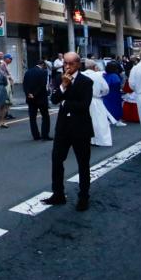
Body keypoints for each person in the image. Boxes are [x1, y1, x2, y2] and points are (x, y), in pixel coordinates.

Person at [41, 52, 94, 212]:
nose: (68, 67)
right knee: (57, 160)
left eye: (71, 63)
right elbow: (54, 100)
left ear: (78, 64)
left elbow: (84, 105)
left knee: (83, 164)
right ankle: (58, 194)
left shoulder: (86, 82)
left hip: (81, 127)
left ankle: (83, 197)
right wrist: (63, 86)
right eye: (65, 63)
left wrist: (66, 102)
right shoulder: (60, 79)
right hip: (63, 127)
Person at [23, 59, 51, 141]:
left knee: (32, 118)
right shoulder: (43, 72)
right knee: (45, 116)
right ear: (42, 65)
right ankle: (45, 134)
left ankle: (36, 135)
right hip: (41, 97)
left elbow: (25, 84)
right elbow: (43, 85)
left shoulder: (28, 72)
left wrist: (28, 93)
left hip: (30, 98)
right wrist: (34, 94)